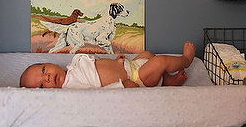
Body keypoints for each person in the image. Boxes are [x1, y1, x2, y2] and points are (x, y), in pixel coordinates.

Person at [20, 42, 196, 89]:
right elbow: (98, 94)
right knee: (160, 61)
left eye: (44, 70)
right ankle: (185, 60)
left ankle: (168, 81)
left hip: (130, 66)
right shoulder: (72, 87)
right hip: (135, 78)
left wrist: (116, 62)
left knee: (148, 55)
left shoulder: (73, 65)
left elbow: (97, 65)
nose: (47, 77)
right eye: (43, 84)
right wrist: (122, 85)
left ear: (49, 63)